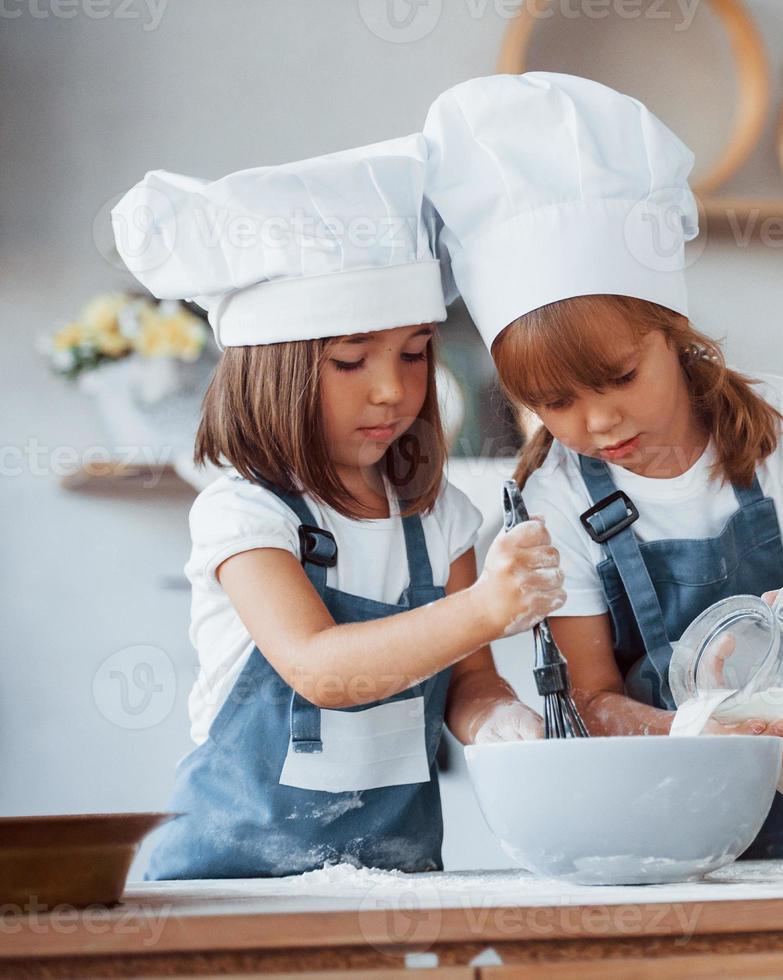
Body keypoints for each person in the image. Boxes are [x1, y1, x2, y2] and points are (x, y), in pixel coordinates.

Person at [424, 73, 783, 859]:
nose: (598, 421)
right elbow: (593, 700)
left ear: (671, 327)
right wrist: (704, 729)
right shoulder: (555, 496)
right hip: (645, 829)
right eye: (555, 401)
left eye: (618, 378)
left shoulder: (778, 425)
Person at [112, 135, 564, 879]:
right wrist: (485, 606)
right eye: (353, 360)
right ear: (272, 368)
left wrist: (501, 723)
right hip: (232, 891)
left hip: (394, 887)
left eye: (415, 352)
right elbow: (320, 670)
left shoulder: (434, 514)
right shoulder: (246, 515)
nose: (392, 389)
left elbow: (469, 679)